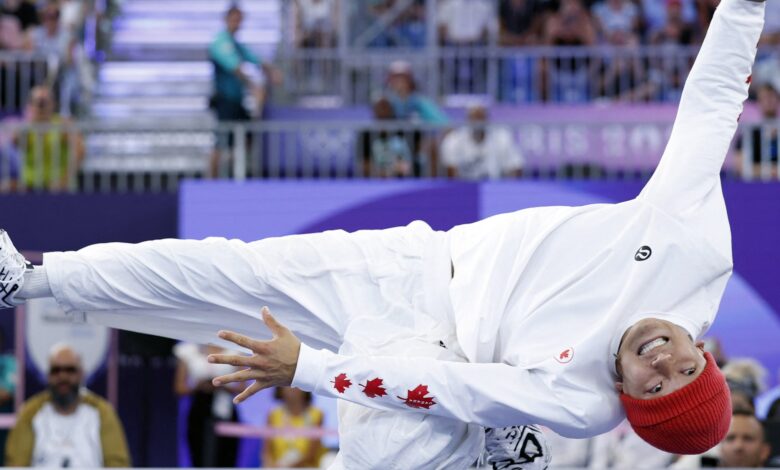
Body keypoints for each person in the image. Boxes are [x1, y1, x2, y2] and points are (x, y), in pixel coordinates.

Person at [1, 0, 767, 467]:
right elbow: (710, 106)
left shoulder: (583, 402)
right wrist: (743, 4)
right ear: (703, 350)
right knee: (229, 270)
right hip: (416, 264)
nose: (659, 363)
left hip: (443, 358)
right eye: (678, 369)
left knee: (383, 453)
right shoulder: (691, 246)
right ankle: (28, 277)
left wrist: (308, 369)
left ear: (631, 403)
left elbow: (450, 387)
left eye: (653, 389)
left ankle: (487, 452)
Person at [4, 344, 130, 467]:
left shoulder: (102, 413)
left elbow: (117, 464)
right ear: (48, 376)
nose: (63, 376)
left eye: (70, 370)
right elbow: (16, 464)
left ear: (81, 374)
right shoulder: (30, 412)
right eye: (56, 371)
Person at [208, 5, 281, 177]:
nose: (237, 24)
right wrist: (253, 85)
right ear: (226, 20)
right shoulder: (221, 42)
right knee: (221, 142)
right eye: (234, 20)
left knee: (247, 137)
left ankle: (233, 172)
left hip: (236, 101)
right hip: (225, 100)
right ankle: (210, 181)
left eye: (240, 20)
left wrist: (272, 70)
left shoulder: (236, 44)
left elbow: (254, 58)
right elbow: (235, 67)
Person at [174, 342, 241, 468]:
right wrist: (198, 387)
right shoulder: (188, 350)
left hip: (225, 407)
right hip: (199, 407)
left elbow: (242, 387)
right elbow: (179, 388)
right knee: (199, 452)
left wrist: (221, 385)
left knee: (226, 454)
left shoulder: (235, 351)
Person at [13, 85, 84, 191]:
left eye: (44, 103)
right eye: (38, 103)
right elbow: (17, 142)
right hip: (30, 186)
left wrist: (63, 180)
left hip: (57, 187)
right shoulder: (26, 128)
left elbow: (80, 152)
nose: (41, 107)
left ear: (53, 104)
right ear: (30, 105)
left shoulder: (63, 126)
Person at [440, 104, 524, 180]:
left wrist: (507, 191)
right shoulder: (453, 140)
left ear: (487, 119)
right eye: (474, 118)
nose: (477, 122)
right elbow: (452, 174)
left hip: (495, 188)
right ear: (467, 119)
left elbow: (516, 167)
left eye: (481, 117)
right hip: (464, 188)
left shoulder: (502, 138)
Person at [262, 387, 323, 468]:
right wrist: (270, 466)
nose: (292, 389)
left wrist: (286, 467)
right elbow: (266, 452)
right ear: (280, 390)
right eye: (287, 385)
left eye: (296, 384)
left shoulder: (316, 414)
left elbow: (311, 454)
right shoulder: (273, 415)